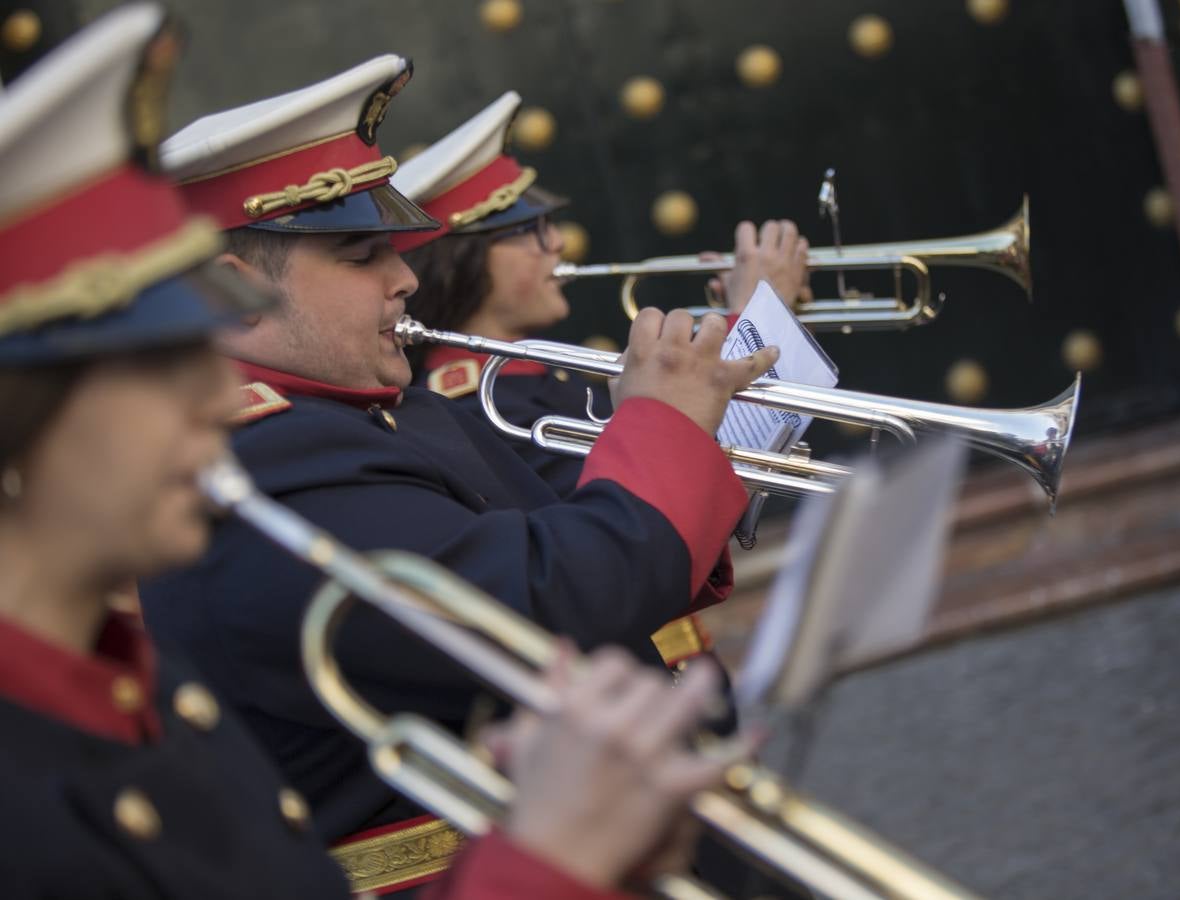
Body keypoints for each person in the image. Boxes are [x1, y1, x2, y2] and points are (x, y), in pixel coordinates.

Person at [0, 6, 741, 897]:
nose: (206, 393)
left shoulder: (135, 684)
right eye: (159, 364)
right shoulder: (267, 465)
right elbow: (557, 591)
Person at [391, 91, 811, 672]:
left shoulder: (542, 382)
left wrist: (758, 322)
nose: (557, 243)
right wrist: (753, 318)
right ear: (461, 257)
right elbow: (638, 529)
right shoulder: (478, 405)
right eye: (529, 229)